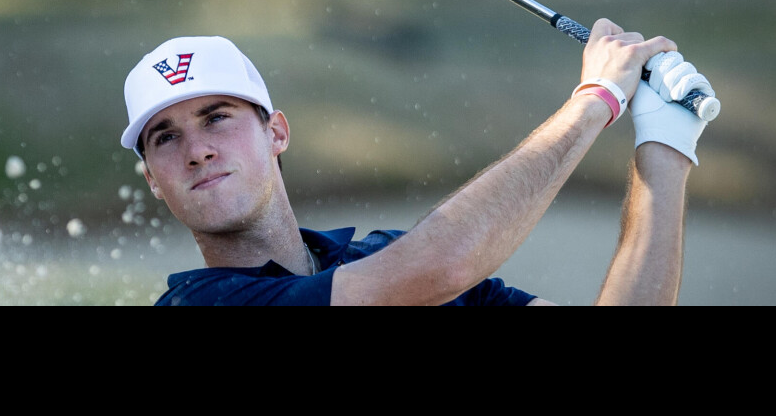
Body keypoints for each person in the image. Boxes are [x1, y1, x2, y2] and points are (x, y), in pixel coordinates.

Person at [119, 20, 715, 305]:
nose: (197, 150)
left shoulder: (380, 257)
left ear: (276, 133)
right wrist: (596, 100)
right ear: (153, 181)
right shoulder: (201, 304)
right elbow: (444, 265)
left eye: (216, 118)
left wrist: (666, 145)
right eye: (165, 138)